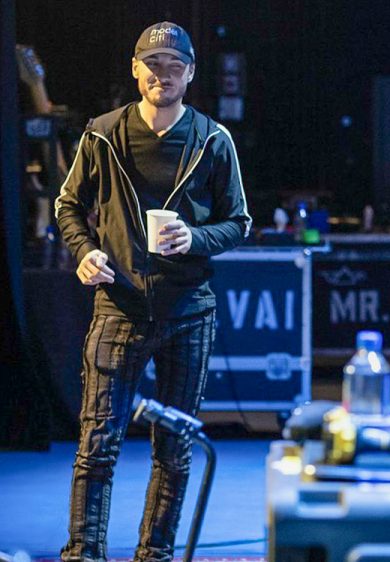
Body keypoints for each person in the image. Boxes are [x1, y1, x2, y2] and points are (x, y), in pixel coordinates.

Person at [55, 22, 251, 561]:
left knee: (175, 450)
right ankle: (84, 555)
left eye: (174, 66)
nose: (162, 75)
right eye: (153, 65)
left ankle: (155, 556)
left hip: (189, 310)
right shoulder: (101, 134)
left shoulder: (213, 138)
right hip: (117, 307)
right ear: (135, 69)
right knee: (97, 445)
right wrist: (84, 250)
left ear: (190, 73)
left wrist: (194, 237)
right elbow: (67, 205)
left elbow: (239, 222)